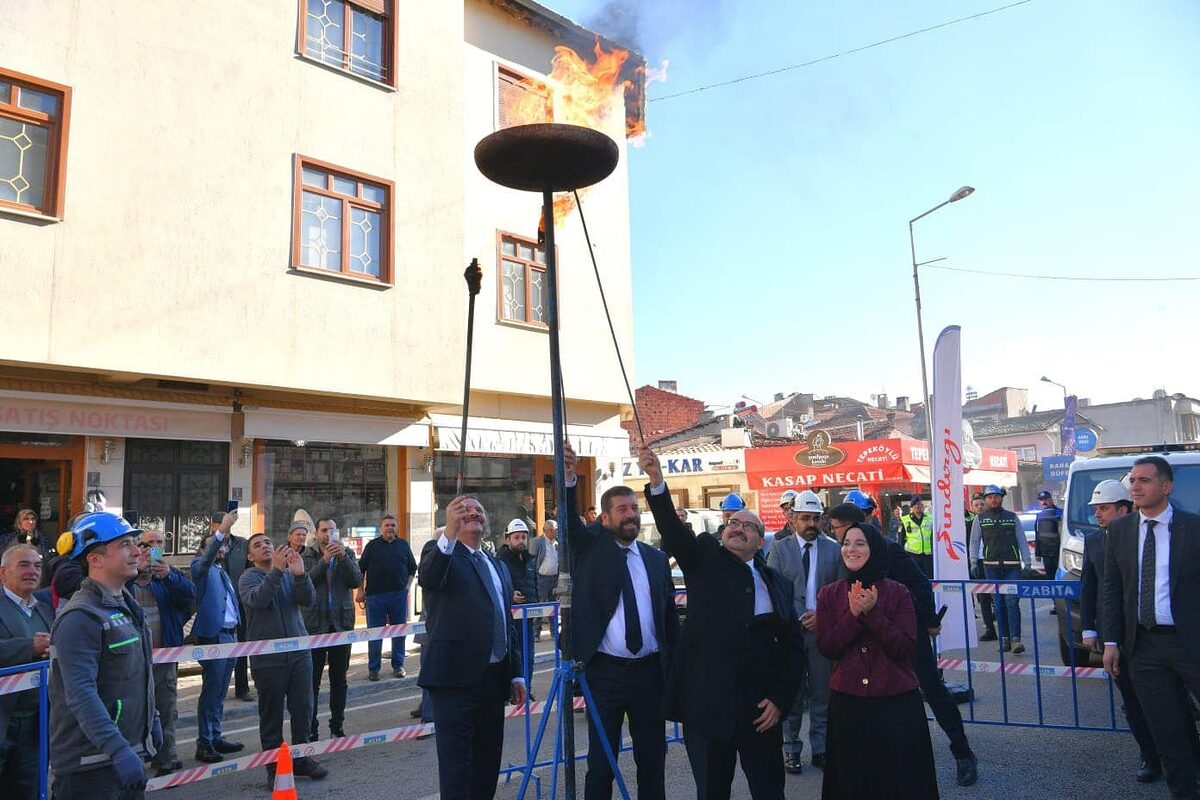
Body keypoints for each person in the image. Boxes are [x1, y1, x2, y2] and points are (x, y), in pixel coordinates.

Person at [641, 446, 801, 800]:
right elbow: (672, 529)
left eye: (748, 526)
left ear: (761, 541)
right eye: (732, 523)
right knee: (712, 791)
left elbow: (793, 650)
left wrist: (780, 700)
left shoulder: (778, 584)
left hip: (761, 711)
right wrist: (657, 481)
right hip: (709, 710)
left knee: (769, 789)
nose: (737, 529)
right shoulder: (703, 558)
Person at [828, 503, 978, 787]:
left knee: (931, 688)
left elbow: (919, 583)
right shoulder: (845, 553)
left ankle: (962, 752)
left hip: (904, 633)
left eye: (836, 527)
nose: (835, 535)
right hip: (866, 638)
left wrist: (930, 620)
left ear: (849, 525)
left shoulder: (887, 549)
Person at [561, 441, 679, 800]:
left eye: (634, 508)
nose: (630, 515)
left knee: (653, 758)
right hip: (606, 673)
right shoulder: (591, 548)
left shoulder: (655, 559)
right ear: (604, 517)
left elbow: (668, 619)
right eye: (622, 509)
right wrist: (568, 478)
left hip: (649, 675)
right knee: (601, 762)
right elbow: (570, 527)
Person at [816, 523, 938, 799]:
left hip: (895, 703)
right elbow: (828, 647)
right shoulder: (830, 594)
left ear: (875, 548)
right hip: (849, 703)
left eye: (860, 543)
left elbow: (904, 648)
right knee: (853, 780)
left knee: (900, 782)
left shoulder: (897, 592)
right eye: (847, 543)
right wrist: (853, 615)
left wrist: (872, 614)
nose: (851, 549)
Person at [1103, 456, 1200, 800]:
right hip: (1144, 647)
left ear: (1166, 486)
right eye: (1133, 481)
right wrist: (1111, 641)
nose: (1135, 487)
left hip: (1191, 643)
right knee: (1168, 731)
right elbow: (1112, 588)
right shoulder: (1119, 530)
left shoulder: (1194, 528)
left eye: (1144, 480)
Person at [418, 495, 526, 800]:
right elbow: (430, 576)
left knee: (486, 764)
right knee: (457, 769)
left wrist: (515, 673)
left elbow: (506, 621)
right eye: (465, 511)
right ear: (453, 520)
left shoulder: (496, 565)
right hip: (454, 680)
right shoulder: (441, 553)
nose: (474, 514)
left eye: (479, 510)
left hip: (493, 678)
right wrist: (448, 534)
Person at [48, 512, 160, 799]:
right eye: (124, 545)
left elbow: (136, 673)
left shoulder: (125, 604)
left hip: (125, 756)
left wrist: (152, 719)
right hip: (90, 769)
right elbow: (81, 694)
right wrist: (118, 749)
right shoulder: (80, 616)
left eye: (133, 543)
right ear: (95, 560)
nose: (137, 551)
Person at [1079, 479, 1162, 783]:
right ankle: (1150, 756)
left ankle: (1183, 755)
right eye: (1096, 509)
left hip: (1151, 633)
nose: (1098, 514)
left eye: (1104, 508)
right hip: (1115, 637)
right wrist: (1088, 628)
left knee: (1165, 698)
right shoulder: (1094, 542)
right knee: (1131, 701)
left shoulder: (1147, 534)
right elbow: (1088, 589)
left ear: (1124, 508)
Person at [240, 533, 328, 787]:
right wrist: (277, 571)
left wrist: (300, 575)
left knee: (303, 710)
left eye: (267, 542)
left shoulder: (288, 574)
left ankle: (302, 759)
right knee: (272, 716)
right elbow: (260, 599)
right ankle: (275, 768)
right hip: (268, 659)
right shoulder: (248, 578)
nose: (265, 547)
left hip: (300, 654)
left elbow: (308, 600)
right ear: (250, 557)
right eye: (257, 545)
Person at [767, 489, 839, 774]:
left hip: (823, 632)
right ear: (793, 518)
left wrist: (822, 616)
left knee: (823, 694)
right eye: (805, 518)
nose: (811, 524)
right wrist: (800, 615)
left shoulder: (834, 549)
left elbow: (840, 589)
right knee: (793, 695)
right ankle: (791, 751)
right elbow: (774, 588)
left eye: (815, 519)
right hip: (791, 634)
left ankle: (821, 749)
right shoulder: (779, 549)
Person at [128, 529, 195, 777]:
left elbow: (189, 596)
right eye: (147, 544)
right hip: (131, 661)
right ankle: (135, 759)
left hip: (164, 657)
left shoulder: (168, 576)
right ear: (136, 548)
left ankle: (166, 759)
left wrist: (168, 576)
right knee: (134, 711)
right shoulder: (126, 578)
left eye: (158, 543)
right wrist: (135, 571)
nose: (153, 549)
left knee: (166, 709)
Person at [189, 516, 245, 763]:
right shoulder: (200, 567)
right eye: (215, 545)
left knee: (221, 690)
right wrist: (221, 532)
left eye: (222, 545)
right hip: (214, 636)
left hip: (230, 636)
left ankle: (216, 736)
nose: (221, 548)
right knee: (211, 691)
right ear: (204, 549)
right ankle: (204, 742)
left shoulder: (221, 570)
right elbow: (209, 555)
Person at [0, 544, 54, 799]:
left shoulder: (44, 608)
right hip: (4, 720)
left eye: (37, 566)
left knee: (28, 789)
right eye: (23, 565)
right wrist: (28, 647)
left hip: (35, 722)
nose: (32, 571)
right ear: (3, 574)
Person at [302, 517, 362, 741]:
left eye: (332, 530)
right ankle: (312, 728)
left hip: (341, 623)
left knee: (339, 680)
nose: (328, 534)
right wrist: (325, 560)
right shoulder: (307, 555)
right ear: (317, 534)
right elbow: (305, 583)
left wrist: (342, 557)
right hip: (315, 625)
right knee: (312, 682)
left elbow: (355, 581)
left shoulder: (347, 554)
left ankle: (337, 726)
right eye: (324, 530)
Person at [969, 485, 1030, 654]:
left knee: (1011, 601)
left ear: (1002, 498)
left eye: (996, 496)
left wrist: (1027, 562)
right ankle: (1004, 639)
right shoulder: (980, 519)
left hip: (1012, 566)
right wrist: (973, 561)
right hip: (991, 567)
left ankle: (1016, 639)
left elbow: (1021, 540)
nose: (992, 500)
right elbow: (974, 541)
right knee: (998, 603)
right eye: (989, 497)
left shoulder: (1012, 517)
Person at [357, 514, 418, 681]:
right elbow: (360, 570)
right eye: (387, 525)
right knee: (375, 633)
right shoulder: (372, 546)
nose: (390, 528)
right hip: (375, 597)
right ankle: (373, 668)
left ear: (396, 527)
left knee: (399, 632)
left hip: (398, 596)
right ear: (381, 528)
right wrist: (360, 591)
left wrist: (407, 587)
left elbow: (412, 568)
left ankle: (398, 665)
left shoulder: (403, 545)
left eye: (393, 525)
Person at [210, 512, 254, 704]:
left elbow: (250, 568)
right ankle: (215, 688)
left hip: (239, 603)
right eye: (222, 523)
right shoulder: (209, 544)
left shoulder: (242, 544)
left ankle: (242, 688)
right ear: (214, 526)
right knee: (216, 649)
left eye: (229, 523)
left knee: (241, 646)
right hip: (216, 605)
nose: (227, 526)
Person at [497, 519, 537, 666]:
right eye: (516, 537)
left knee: (529, 658)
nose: (521, 541)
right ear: (508, 539)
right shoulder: (500, 560)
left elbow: (533, 583)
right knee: (515, 660)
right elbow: (497, 585)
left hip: (529, 617)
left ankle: (527, 688)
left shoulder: (529, 559)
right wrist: (510, 594)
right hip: (511, 620)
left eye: (523, 537)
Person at [965, 494, 997, 641]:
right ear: (972, 507)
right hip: (978, 563)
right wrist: (972, 562)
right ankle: (990, 628)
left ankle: (1006, 632)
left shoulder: (993, 519)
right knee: (983, 597)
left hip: (994, 562)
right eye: (976, 505)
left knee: (997, 596)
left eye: (981, 504)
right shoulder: (969, 523)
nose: (979, 507)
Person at [900, 498, 934, 578]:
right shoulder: (905, 520)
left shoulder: (930, 519)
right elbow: (901, 539)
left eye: (921, 505)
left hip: (928, 554)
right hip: (912, 554)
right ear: (912, 507)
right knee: (914, 577)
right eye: (916, 505)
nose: (919, 506)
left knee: (929, 577)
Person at [1034, 490, 1062, 579]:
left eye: (1045, 499)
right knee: (1050, 576)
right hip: (1046, 552)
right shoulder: (1039, 516)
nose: (1043, 502)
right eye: (1041, 500)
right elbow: (1037, 535)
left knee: (1060, 576)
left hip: (1058, 551)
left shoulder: (1060, 513)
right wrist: (1037, 553)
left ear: (1051, 500)